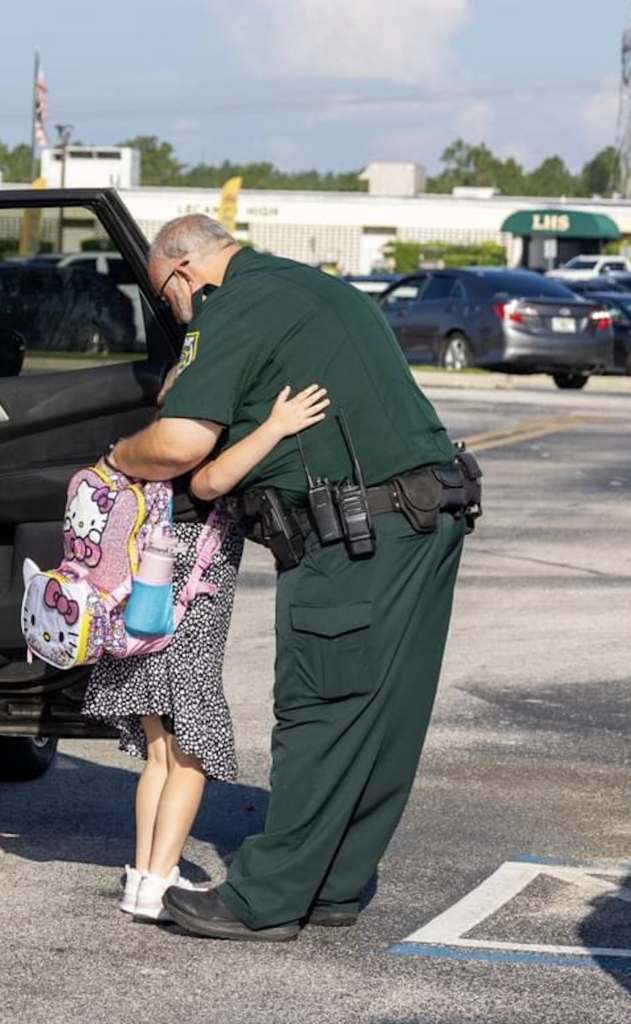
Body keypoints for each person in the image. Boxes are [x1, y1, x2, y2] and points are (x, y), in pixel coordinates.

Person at [102, 214, 471, 941]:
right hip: (430, 512)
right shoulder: (309, 288)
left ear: (183, 275)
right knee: (386, 713)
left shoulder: (232, 305)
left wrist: (119, 456)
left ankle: (263, 901)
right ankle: (333, 884)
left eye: (167, 301)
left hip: (354, 537)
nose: (175, 317)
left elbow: (179, 444)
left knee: (319, 709)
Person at [83, 369, 329, 922]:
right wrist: (276, 426)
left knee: (159, 755)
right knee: (188, 755)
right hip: (189, 618)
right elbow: (211, 483)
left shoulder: (150, 450)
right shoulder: (196, 448)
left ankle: (143, 876)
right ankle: (159, 879)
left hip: (143, 618)